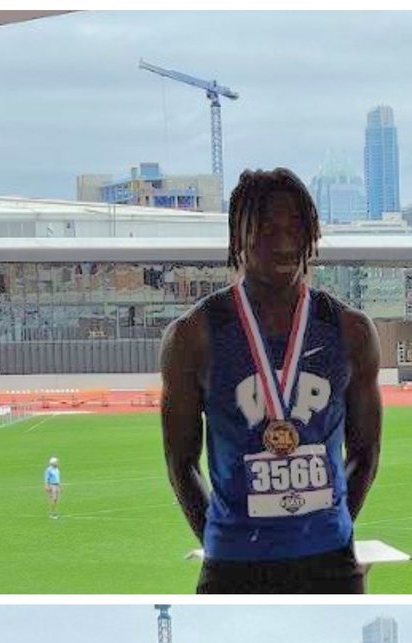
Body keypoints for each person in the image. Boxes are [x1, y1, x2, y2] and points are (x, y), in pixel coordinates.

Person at [161, 168, 382, 594]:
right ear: (239, 236)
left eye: (295, 226)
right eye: (265, 229)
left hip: (331, 563)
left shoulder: (350, 330)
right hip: (232, 565)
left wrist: (332, 527)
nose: (283, 242)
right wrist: (220, 540)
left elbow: (366, 451)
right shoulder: (193, 336)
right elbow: (179, 462)